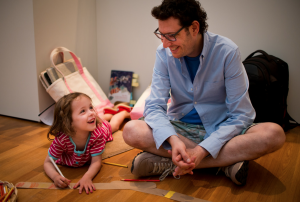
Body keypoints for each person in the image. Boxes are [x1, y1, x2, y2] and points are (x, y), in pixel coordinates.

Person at [123, 0, 286, 185]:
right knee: (131, 130)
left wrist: (201, 150)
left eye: (171, 35)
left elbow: (241, 115)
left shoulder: (227, 52)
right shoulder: (163, 54)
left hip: (222, 128)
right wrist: (173, 140)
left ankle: (175, 163)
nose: (166, 44)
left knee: (274, 133)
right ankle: (224, 164)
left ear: (194, 28)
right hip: (181, 128)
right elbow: (154, 107)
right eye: (161, 35)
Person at [44, 92, 130, 194]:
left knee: (113, 126)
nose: (91, 112)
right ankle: (108, 113)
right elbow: (48, 162)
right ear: (68, 121)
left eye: (91, 107)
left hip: (100, 126)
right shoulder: (61, 139)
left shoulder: (98, 133)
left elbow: (96, 162)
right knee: (98, 119)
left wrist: (87, 177)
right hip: (92, 123)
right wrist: (55, 176)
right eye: (83, 111)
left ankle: (122, 112)